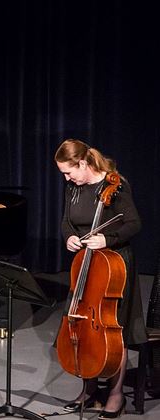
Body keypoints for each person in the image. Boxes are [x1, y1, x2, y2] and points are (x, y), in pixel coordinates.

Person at [54, 139, 147, 419]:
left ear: (83, 163)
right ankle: (90, 391)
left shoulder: (115, 185)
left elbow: (134, 223)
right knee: (83, 327)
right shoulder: (74, 187)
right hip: (85, 263)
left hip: (114, 264)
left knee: (112, 330)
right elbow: (67, 220)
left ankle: (116, 395)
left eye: (69, 172)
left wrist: (108, 237)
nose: (67, 179)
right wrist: (69, 236)